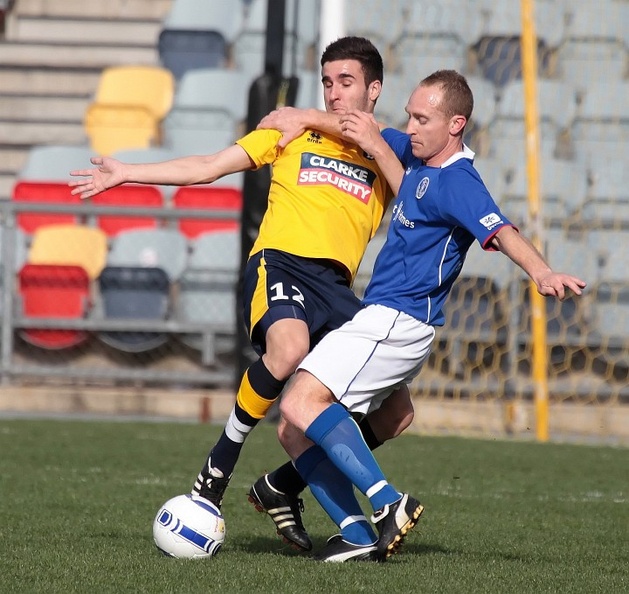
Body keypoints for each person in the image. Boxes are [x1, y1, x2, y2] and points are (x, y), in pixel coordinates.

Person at [69, 36, 416, 553]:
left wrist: (308, 115)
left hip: (339, 289)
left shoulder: (388, 150)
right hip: (281, 264)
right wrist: (128, 173)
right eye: (327, 83)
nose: (334, 93)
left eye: (346, 82)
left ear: (374, 89)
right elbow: (208, 166)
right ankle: (220, 464)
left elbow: (403, 173)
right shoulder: (290, 136)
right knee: (289, 348)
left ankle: (314, 506)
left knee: (395, 413)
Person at [251, 69, 587, 562]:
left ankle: (388, 503)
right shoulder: (419, 161)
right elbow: (364, 131)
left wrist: (541, 272)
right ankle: (351, 532)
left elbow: (503, 229)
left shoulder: (458, 183)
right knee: (373, 418)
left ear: (455, 124)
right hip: (390, 320)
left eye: (421, 118)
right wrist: (302, 116)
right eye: (409, 114)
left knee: (300, 404)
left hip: (397, 320)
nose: (409, 126)